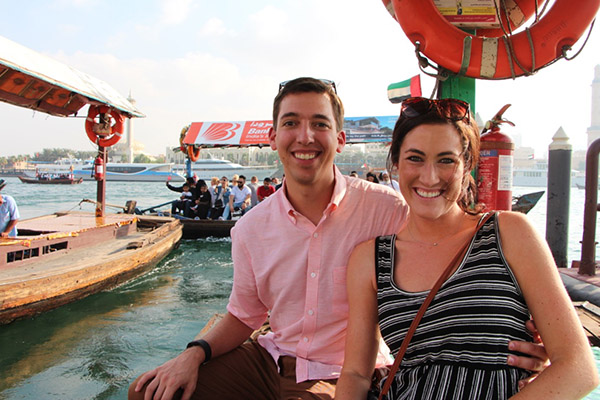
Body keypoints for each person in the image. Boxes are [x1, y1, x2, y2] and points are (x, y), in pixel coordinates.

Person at [129, 79, 548, 400]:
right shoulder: (250, 228)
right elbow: (245, 315)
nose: (305, 137)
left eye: (320, 125)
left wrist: (520, 332)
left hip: (342, 371)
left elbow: (451, 244)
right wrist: (192, 353)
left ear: (340, 139)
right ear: (273, 138)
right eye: (291, 123)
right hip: (269, 359)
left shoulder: (391, 209)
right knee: (147, 392)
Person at [335, 97, 598, 399]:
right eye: (415, 158)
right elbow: (355, 374)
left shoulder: (509, 234)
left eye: (446, 160)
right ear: (395, 162)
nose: (429, 177)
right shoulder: (370, 259)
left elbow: (578, 368)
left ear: (468, 165)